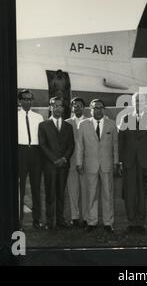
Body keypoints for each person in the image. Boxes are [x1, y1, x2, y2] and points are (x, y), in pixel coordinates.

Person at [118, 92, 147, 234]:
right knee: (130, 193)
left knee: (143, 192)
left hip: (145, 162)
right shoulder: (125, 118)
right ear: (132, 103)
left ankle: (141, 222)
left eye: (141, 101)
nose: (138, 104)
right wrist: (119, 161)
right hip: (129, 162)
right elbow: (121, 142)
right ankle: (131, 221)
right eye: (136, 101)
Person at [76, 99, 118, 233]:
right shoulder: (83, 125)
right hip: (90, 164)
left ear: (104, 109)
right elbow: (79, 146)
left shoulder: (111, 124)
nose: (98, 110)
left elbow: (115, 145)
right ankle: (91, 221)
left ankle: (108, 222)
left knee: (108, 194)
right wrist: (79, 162)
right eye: (95, 108)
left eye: (101, 108)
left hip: (107, 164)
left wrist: (116, 162)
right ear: (90, 109)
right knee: (91, 194)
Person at [38, 97, 74, 230]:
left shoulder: (68, 126)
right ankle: (49, 221)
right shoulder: (43, 125)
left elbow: (71, 145)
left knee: (60, 193)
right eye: (55, 106)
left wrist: (64, 159)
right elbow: (43, 145)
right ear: (50, 107)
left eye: (61, 106)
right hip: (50, 165)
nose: (58, 108)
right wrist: (54, 159)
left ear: (63, 109)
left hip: (64, 166)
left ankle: (60, 220)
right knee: (50, 193)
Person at [17, 89, 44, 230]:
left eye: (30, 99)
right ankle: (18, 221)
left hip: (36, 153)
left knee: (36, 188)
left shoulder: (38, 117)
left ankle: (37, 219)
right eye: (25, 99)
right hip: (20, 152)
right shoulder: (14, 116)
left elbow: (42, 139)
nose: (28, 101)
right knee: (19, 188)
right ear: (19, 101)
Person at [65, 97, 87, 227]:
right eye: (74, 105)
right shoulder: (67, 122)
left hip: (85, 161)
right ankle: (75, 217)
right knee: (73, 190)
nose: (77, 107)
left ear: (84, 107)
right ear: (72, 108)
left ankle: (85, 218)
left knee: (86, 190)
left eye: (79, 105)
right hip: (72, 160)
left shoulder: (89, 122)